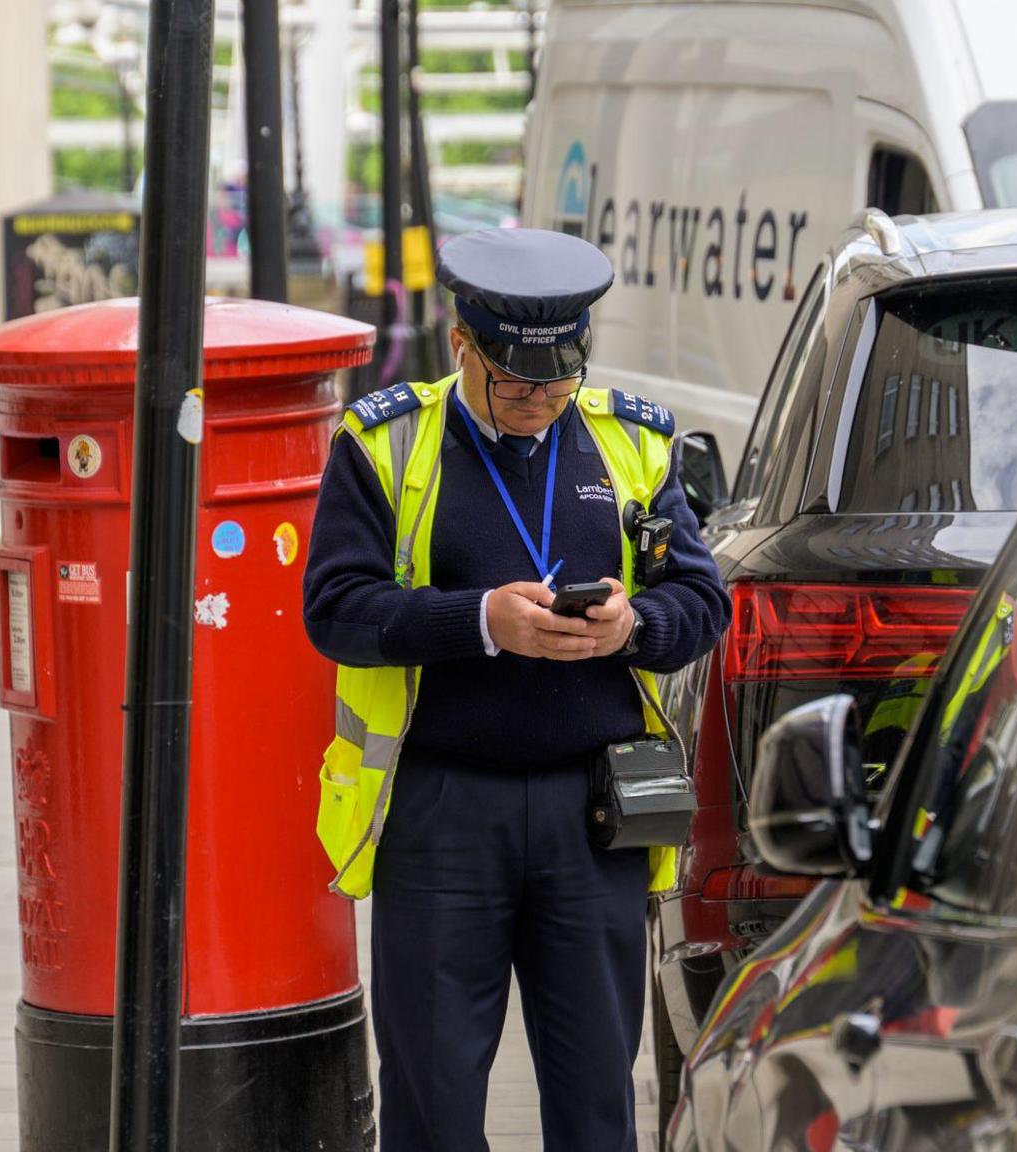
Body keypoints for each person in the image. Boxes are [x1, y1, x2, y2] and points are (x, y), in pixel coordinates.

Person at [302, 227, 730, 1151]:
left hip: (595, 813)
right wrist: (481, 622)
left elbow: (702, 600)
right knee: (433, 1099)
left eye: (558, 380)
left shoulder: (631, 445)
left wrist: (635, 628)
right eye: (516, 382)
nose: (540, 401)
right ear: (463, 345)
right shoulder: (384, 445)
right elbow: (335, 607)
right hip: (443, 812)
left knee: (596, 1101)